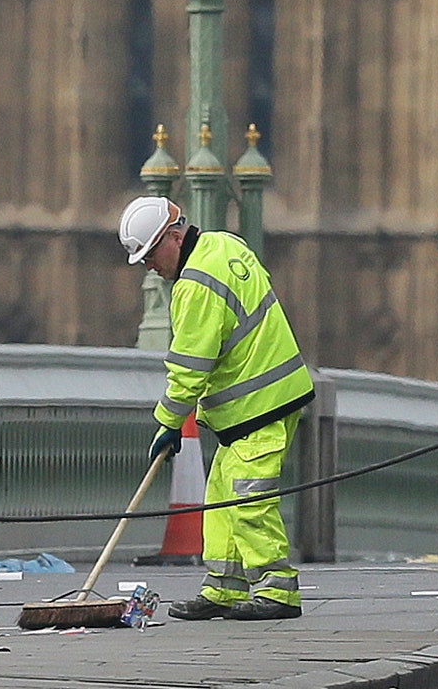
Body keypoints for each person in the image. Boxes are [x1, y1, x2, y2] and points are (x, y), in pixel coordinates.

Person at [118, 195, 316, 621]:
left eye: (151, 254)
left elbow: (188, 368)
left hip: (259, 403)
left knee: (249, 501)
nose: (149, 267)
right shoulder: (224, 244)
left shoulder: (195, 284)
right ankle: (223, 588)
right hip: (256, 402)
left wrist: (167, 423)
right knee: (223, 499)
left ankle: (278, 590)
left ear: (174, 237)